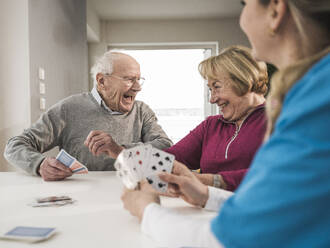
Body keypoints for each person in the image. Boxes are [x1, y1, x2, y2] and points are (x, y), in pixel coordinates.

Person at [121, 0, 330, 247]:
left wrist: (145, 210)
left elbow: (226, 238)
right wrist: (207, 195)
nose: (242, 18)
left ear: (275, 9)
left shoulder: (315, 101)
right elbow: (273, 205)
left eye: (245, 4)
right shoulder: (308, 91)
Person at [4, 52, 172, 181]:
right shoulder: (68, 109)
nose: (137, 88)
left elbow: (166, 147)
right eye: (129, 79)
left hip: (131, 192)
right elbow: (15, 146)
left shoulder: (142, 111)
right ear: (101, 81)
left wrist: (119, 149)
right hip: (80, 197)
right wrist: (39, 164)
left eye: (138, 80)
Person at [166, 45, 268, 191]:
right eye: (210, 89)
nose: (212, 99)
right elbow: (169, 159)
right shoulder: (211, 125)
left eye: (217, 87)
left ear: (243, 80)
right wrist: (125, 156)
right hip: (206, 209)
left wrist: (209, 181)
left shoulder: (280, 121)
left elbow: (277, 174)